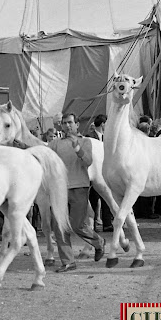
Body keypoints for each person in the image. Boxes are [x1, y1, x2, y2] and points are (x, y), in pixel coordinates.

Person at [48, 112, 105, 272]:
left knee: (77, 225)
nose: (67, 125)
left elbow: (88, 162)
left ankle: (98, 242)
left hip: (79, 187)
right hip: (59, 190)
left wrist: (78, 148)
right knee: (59, 226)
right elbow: (44, 155)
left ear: (77, 124)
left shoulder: (85, 141)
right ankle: (68, 262)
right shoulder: (55, 143)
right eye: (64, 123)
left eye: (70, 122)